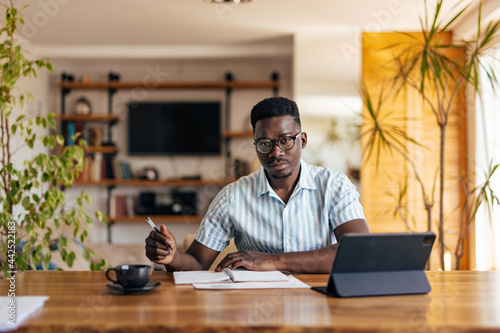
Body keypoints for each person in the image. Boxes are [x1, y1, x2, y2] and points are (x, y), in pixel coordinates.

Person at [145, 96, 369, 273]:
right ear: (255, 145)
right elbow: (197, 263)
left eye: (285, 140)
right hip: (255, 307)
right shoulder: (233, 196)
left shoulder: (334, 186)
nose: (275, 152)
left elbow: (358, 251)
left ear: (302, 140)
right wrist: (171, 257)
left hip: (320, 301)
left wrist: (274, 261)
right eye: (264, 143)